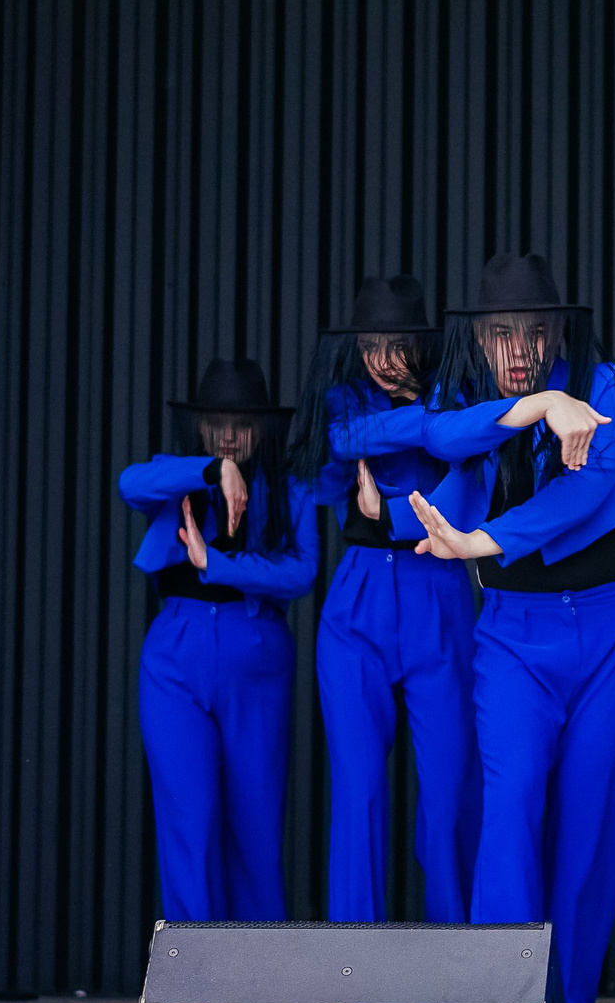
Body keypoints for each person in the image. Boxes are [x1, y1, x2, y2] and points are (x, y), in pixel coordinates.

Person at [405, 254, 615, 1003]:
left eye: (534, 332)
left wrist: (485, 538)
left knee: (589, 813)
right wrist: (537, 403)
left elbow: (588, 492)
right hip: (510, 631)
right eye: (502, 331)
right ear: (480, 335)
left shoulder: (606, 386)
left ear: (557, 331)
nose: (518, 347)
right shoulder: (475, 392)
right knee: (509, 808)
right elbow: (437, 433)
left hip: (607, 625)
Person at [289, 277, 483, 922]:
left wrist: (391, 504)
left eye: (397, 345)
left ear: (421, 346)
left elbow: (467, 481)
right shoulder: (342, 400)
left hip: (440, 590)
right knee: (359, 787)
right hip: (358, 596)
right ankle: (355, 960)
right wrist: (415, 432)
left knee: (451, 791)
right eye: (372, 346)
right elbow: (326, 457)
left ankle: (455, 960)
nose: (383, 361)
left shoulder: (455, 397)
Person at [117, 357, 317, 921]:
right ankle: (194, 987)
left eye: (243, 423)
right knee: (190, 817)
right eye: (217, 423)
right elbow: (129, 483)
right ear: (200, 426)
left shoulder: (289, 487)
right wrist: (212, 470)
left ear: (264, 429)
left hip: (257, 656)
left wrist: (219, 564)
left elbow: (301, 573)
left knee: (255, 825)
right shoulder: (177, 472)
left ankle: (259, 984)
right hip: (174, 659)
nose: (229, 435)